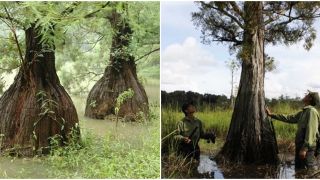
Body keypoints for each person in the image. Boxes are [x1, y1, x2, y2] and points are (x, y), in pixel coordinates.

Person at [266, 91, 320, 170]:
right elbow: (290, 118)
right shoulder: (304, 112)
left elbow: (311, 131)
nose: (305, 95)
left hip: (307, 148)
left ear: (310, 98)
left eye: (307, 95)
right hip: (301, 146)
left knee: (308, 171)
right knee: (299, 170)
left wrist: (304, 149)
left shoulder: (312, 112)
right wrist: (272, 115)